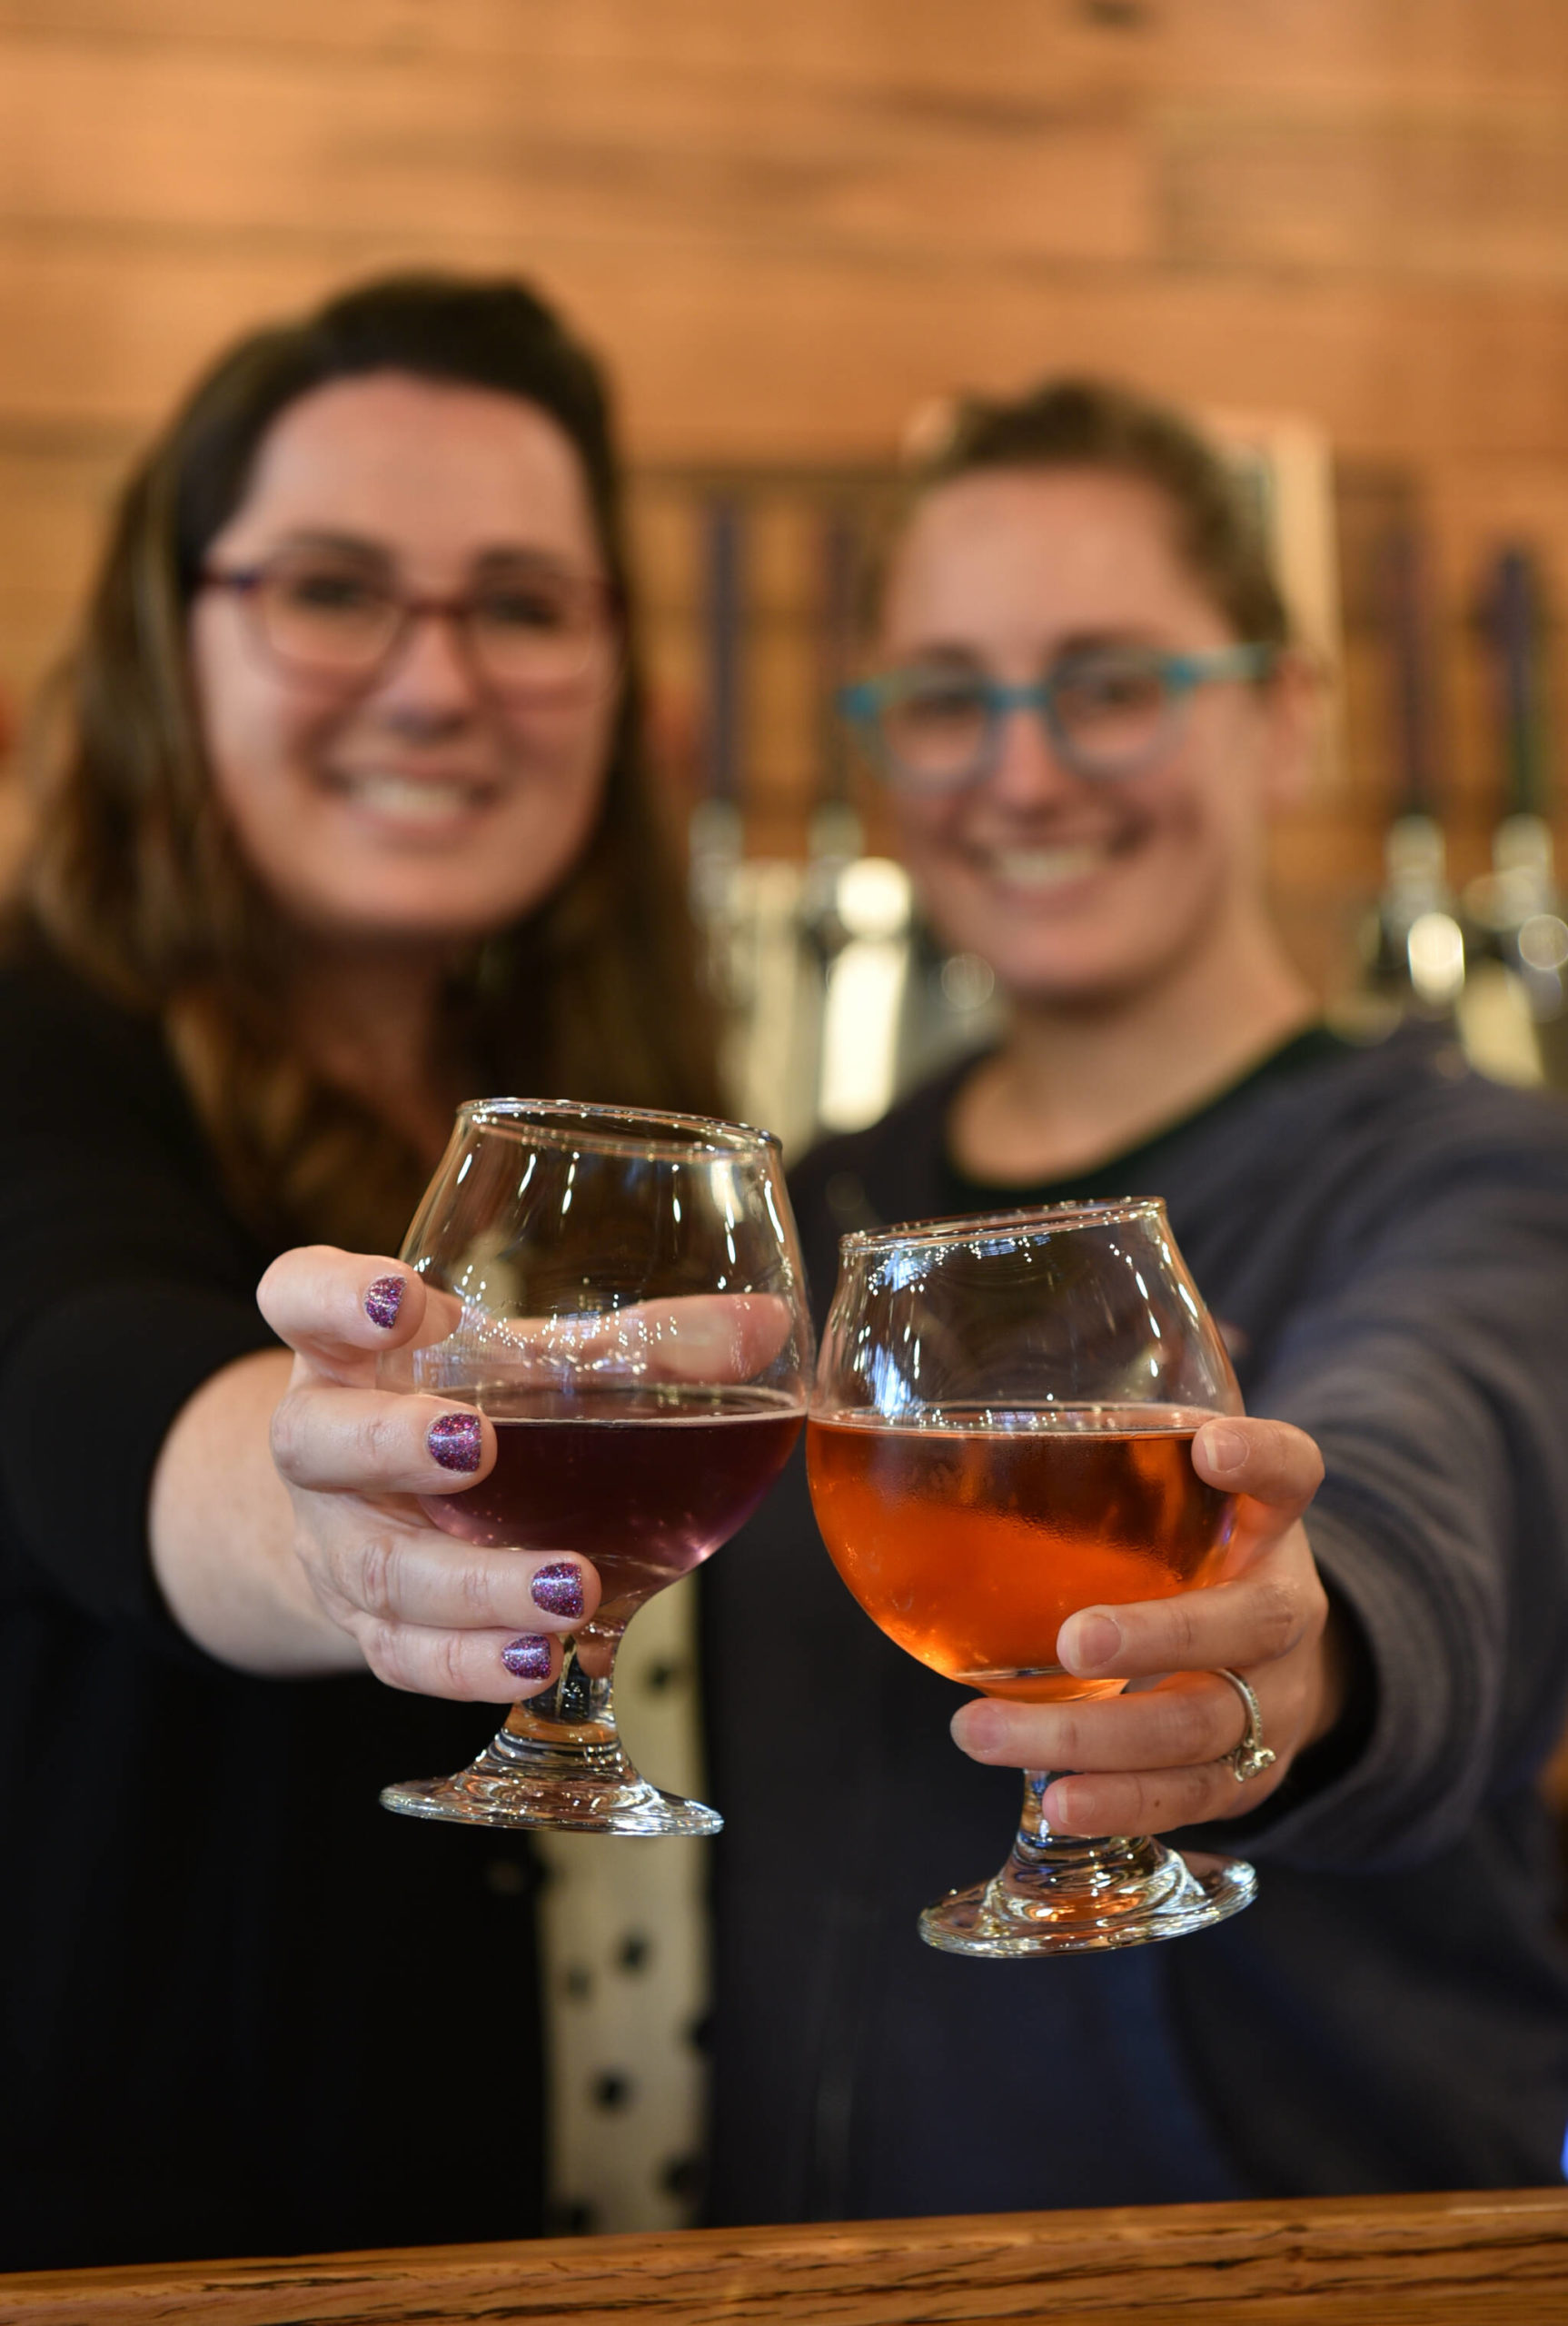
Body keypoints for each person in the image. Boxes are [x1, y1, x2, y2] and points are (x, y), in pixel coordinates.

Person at [699, 379, 1568, 2218]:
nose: (1019, 772)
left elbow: (1449, 1453)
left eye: (1107, 681)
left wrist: (1310, 1632)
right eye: (944, 696)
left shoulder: (1472, 1168)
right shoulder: (806, 1212)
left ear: (1282, 712)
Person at [0, 271, 718, 2271]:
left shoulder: (631, 1120)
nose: (432, 680)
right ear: (173, 637)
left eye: (517, 602)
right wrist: (328, 1514)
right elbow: (88, 1382)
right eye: (330, 588)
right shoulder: (36, 1048)